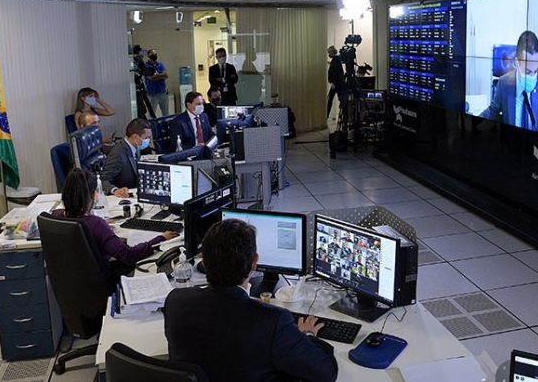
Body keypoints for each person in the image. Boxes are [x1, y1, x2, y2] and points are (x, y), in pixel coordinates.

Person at [164, 219, 339, 382]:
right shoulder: (273, 321)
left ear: (204, 263)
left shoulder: (175, 301)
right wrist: (306, 335)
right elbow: (325, 373)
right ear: (254, 263)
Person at [54, 168, 178, 281]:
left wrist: (97, 223)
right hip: (103, 281)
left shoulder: (56, 215)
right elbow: (128, 255)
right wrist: (161, 238)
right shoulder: (96, 225)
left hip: (72, 281)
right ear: (93, 195)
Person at [480, 30, 538, 134]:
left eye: (536, 71)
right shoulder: (504, 84)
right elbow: (492, 112)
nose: (533, 77)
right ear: (517, 63)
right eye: (528, 72)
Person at [102, 118, 152, 197]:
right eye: (146, 138)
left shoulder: (133, 147)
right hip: (122, 196)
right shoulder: (118, 154)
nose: (148, 141)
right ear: (135, 137)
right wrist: (115, 190)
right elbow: (103, 179)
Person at [145, 49, 169, 116]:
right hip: (152, 94)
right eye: (152, 54)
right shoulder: (146, 66)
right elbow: (151, 78)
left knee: (166, 114)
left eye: (155, 54)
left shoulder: (160, 64)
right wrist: (161, 76)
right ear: (148, 56)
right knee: (151, 114)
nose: (154, 55)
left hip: (162, 93)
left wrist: (156, 76)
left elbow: (166, 75)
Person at [326, 45, 344, 119]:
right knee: (339, 99)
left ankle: (326, 115)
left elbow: (335, 72)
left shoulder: (335, 60)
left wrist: (333, 82)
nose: (328, 55)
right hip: (338, 83)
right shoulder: (336, 59)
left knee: (330, 99)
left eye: (329, 53)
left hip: (336, 83)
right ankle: (343, 115)